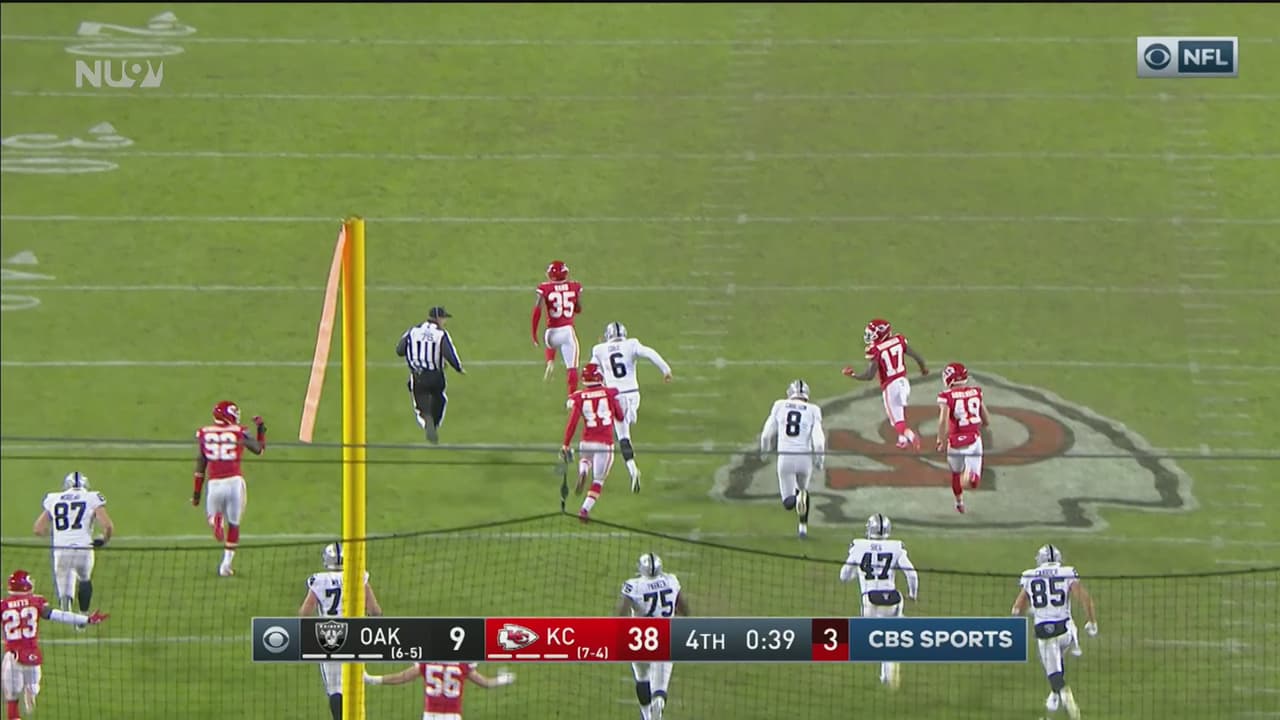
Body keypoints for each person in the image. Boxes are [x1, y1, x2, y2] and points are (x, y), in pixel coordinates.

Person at [1, 570, 108, 719]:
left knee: (12, 700)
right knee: (34, 687)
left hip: (12, 657)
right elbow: (59, 615)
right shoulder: (36, 602)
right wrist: (87, 619)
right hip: (33, 656)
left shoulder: (3, 605)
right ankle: (31, 690)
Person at [1012, 544, 1098, 719]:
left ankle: (1062, 692)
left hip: (1045, 633)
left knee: (1054, 673)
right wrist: (1092, 622)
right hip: (1065, 630)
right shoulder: (1066, 572)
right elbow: (1085, 600)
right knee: (1062, 646)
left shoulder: (1029, 576)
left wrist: (1029, 610)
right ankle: (1055, 693)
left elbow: (1017, 608)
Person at [299, 542, 383, 720]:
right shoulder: (358, 576)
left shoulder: (319, 580)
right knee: (354, 684)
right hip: (355, 634)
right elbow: (375, 610)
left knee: (335, 688)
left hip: (329, 636)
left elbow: (304, 613)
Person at [588, 321, 673, 492]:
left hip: (615, 397)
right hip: (633, 394)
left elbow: (591, 372)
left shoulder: (599, 349)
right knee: (627, 421)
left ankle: (633, 469)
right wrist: (666, 370)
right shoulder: (631, 344)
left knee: (623, 437)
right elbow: (650, 353)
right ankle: (630, 415)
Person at [840, 513, 918, 689]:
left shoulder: (859, 546)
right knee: (890, 635)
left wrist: (857, 573)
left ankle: (887, 671)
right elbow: (911, 574)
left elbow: (843, 575)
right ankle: (889, 668)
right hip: (893, 599)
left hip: (870, 600)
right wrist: (912, 594)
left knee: (872, 639)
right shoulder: (896, 547)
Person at [193, 400, 266, 577]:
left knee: (212, 516)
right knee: (234, 524)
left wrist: (196, 494)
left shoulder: (205, 433)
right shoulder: (239, 431)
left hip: (215, 484)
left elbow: (200, 466)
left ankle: (216, 520)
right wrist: (261, 430)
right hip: (235, 482)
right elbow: (259, 450)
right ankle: (226, 565)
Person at [616, 553, 688, 720]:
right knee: (660, 686)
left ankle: (647, 715)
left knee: (642, 678)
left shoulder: (634, 586)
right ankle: (659, 701)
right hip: (665, 637)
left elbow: (620, 614)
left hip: (640, 639)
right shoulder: (671, 581)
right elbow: (685, 611)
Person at [32, 472, 113, 618]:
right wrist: (104, 539)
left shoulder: (54, 498)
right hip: (83, 548)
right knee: (84, 579)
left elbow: (38, 529)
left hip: (61, 549)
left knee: (64, 583)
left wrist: (55, 534)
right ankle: (83, 616)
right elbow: (108, 526)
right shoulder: (92, 497)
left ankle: (66, 608)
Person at [843, 318, 928, 449]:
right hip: (904, 383)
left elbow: (869, 376)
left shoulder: (876, 349)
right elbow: (917, 356)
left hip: (891, 386)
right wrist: (923, 369)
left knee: (896, 422)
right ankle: (902, 439)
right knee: (899, 410)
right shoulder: (899, 340)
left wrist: (853, 375)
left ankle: (911, 436)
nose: (870, 336)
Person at [759, 380, 826, 537]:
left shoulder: (780, 405)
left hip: (786, 458)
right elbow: (819, 442)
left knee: (789, 502)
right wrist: (819, 461)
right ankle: (803, 527)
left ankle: (796, 499)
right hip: (805, 459)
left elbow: (766, 435)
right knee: (804, 490)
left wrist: (764, 452)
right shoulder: (813, 410)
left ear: (790, 393)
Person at [562, 363, 625, 523]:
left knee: (586, 459)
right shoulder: (610, 393)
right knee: (598, 481)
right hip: (604, 443)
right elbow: (620, 416)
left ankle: (583, 469)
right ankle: (584, 510)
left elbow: (572, 422)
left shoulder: (579, 397)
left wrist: (566, 444)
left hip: (587, 441)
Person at [397, 306, 465, 443]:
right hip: (436, 376)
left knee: (420, 400)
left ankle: (427, 418)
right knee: (439, 399)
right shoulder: (440, 334)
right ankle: (434, 422)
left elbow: (400, 350)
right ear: (438, 318)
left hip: (418, 375)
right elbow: (449, 353)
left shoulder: (413, 331)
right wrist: (458, 368)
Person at [364, 662, 513, 720]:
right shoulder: (462, 665)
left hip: (431, 716)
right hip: (453, 717)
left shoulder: (427, 663)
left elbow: (401, 677)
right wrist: (503, 679)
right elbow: (486, 683)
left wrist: (372, 679)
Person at [935, 362, 990, 514]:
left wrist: (940, 440)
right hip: (973, 440)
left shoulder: (946, 396)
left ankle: (959, 502)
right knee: (973, 481)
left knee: (955, 473)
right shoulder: (976, 392)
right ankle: (970, 477)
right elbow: (986, 420)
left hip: (955, 442)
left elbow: (943, 420)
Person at [531, 260, 583, 395]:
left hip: (550, 334)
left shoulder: (544, 288)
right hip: (567, 332)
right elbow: (578, 309)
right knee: (572, 368)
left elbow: (537, 311)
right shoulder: (575, 286)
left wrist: (534, 334)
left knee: (551, 343)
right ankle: (571, 398)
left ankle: (550, 361)